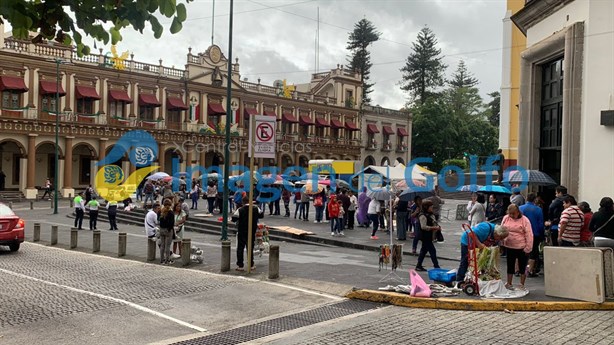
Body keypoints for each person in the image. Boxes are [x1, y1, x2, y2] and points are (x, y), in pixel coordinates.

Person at [501, 204, 533, 290]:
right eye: (510, 213)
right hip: (509, 245)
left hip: (521, 247)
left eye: (513, 214)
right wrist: (502, 242)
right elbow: (502, 230)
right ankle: (509, 283)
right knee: (510, 265)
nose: (511, 216)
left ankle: (522, 284)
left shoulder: (525, 220)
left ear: (518, 212)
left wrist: (528, 248)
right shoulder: (506, 218)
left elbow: (529, 234)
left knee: (523, 266)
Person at [232, 195, 263, 271]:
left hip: (242, 230)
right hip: (252, 230)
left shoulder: (240, 209)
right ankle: (251, 264)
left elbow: (234, 218)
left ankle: (240, 265)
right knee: (250, 247)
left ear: (243, 202)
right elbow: (261, 215)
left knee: (240, 248)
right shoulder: (256, 208)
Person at [520, 193, 544, 277]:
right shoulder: (538, 209)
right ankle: (529, 271)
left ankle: (518, 270)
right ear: (535, 200)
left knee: (521, 251)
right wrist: (542, 233)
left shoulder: (520, 208)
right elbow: (540, 223)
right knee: (533, 252)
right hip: (535, 233)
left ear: (526, 198)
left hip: (522, 233)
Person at [415, 200, 441, 272]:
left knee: (423, 251)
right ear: (426, 207)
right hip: (425, 236)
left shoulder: (430, 214)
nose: (432, 208)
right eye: (431, 207)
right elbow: (423, 227)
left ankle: (418, 265)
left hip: (429, 235)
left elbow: (433, 222)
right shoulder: (422, 215)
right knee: (432, 250)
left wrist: (436, 226)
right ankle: (436, 266)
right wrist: (434, 228)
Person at [158, 199, 175, 265]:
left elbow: (158, 220)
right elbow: (172, 223)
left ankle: (162, 259)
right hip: (168, 230)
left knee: (162, 245)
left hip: (161, 229)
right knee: (167, 246)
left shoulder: (160, 211)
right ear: (170, 205)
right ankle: (167, 260)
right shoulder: (171, 212)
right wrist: (169, 229)